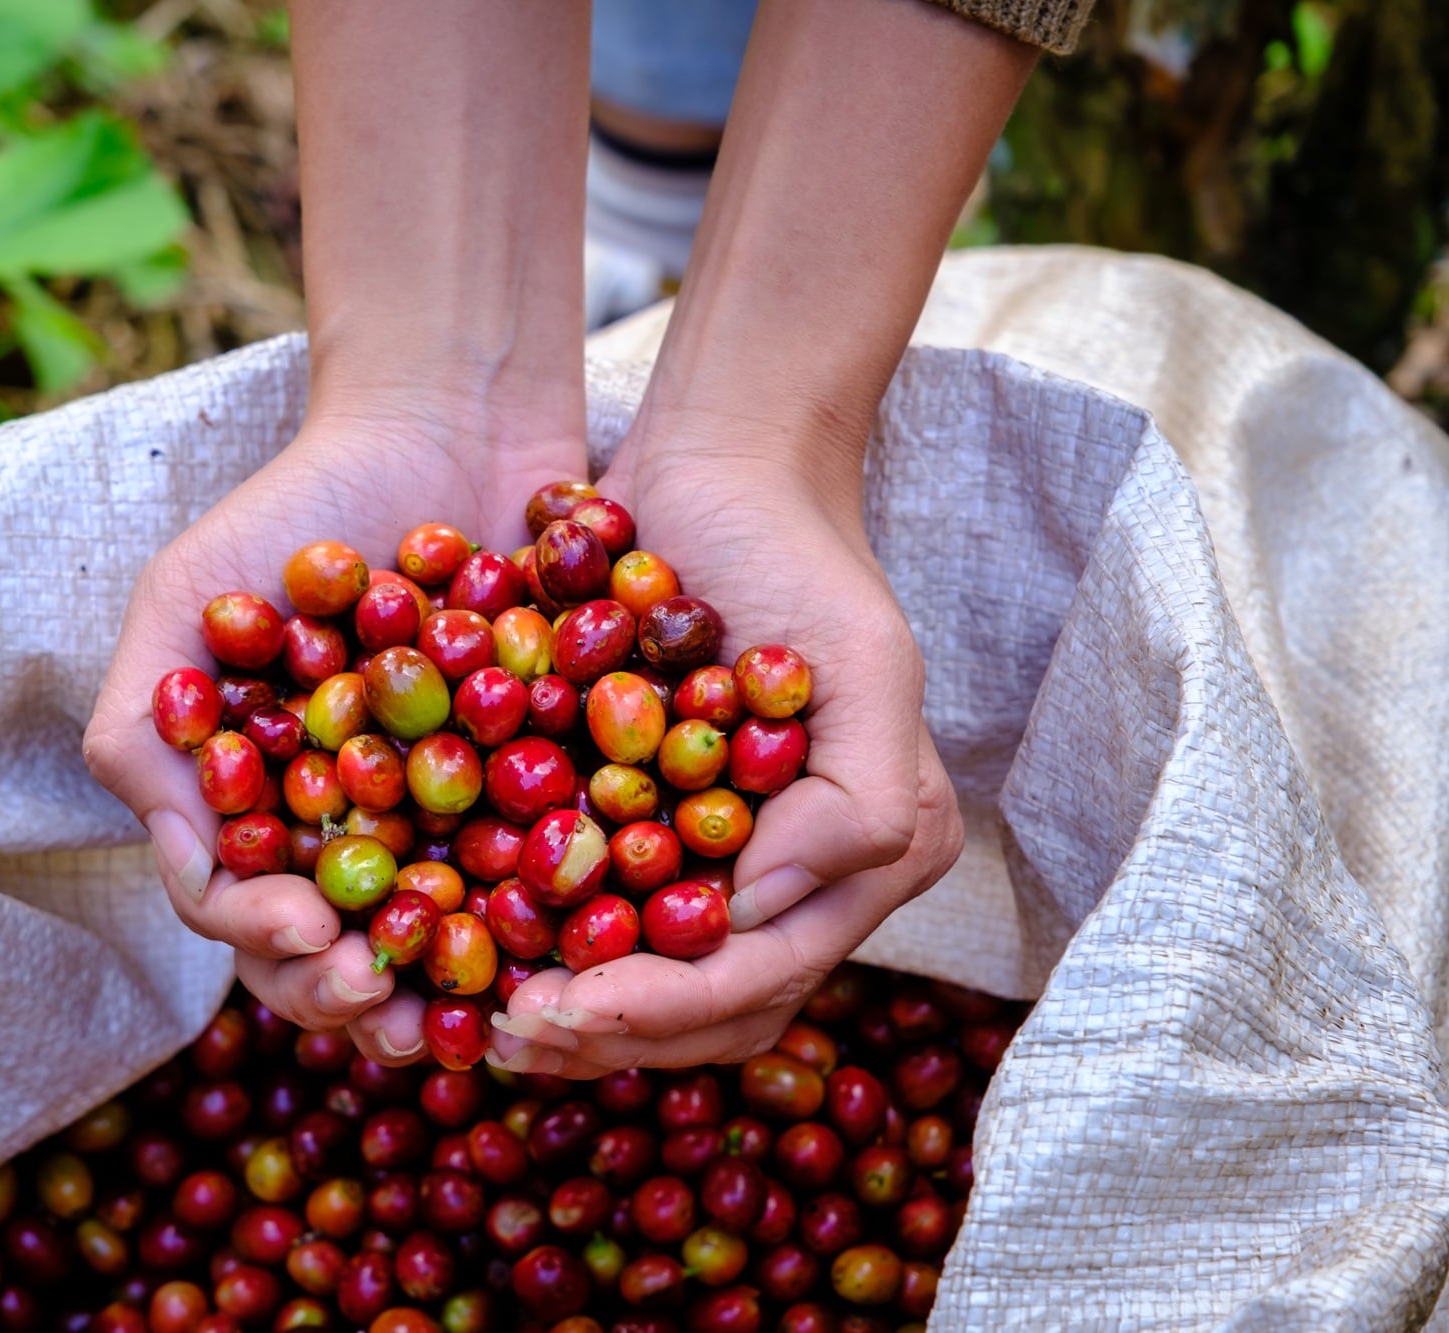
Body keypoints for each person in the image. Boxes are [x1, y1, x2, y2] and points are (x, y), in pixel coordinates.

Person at [85, 0, 1082, 1077]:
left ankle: (694, 202)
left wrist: (766, 426)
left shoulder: (539, 725)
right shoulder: (509, 725)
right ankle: (656, 160)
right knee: (671, 50)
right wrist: (428, 377)